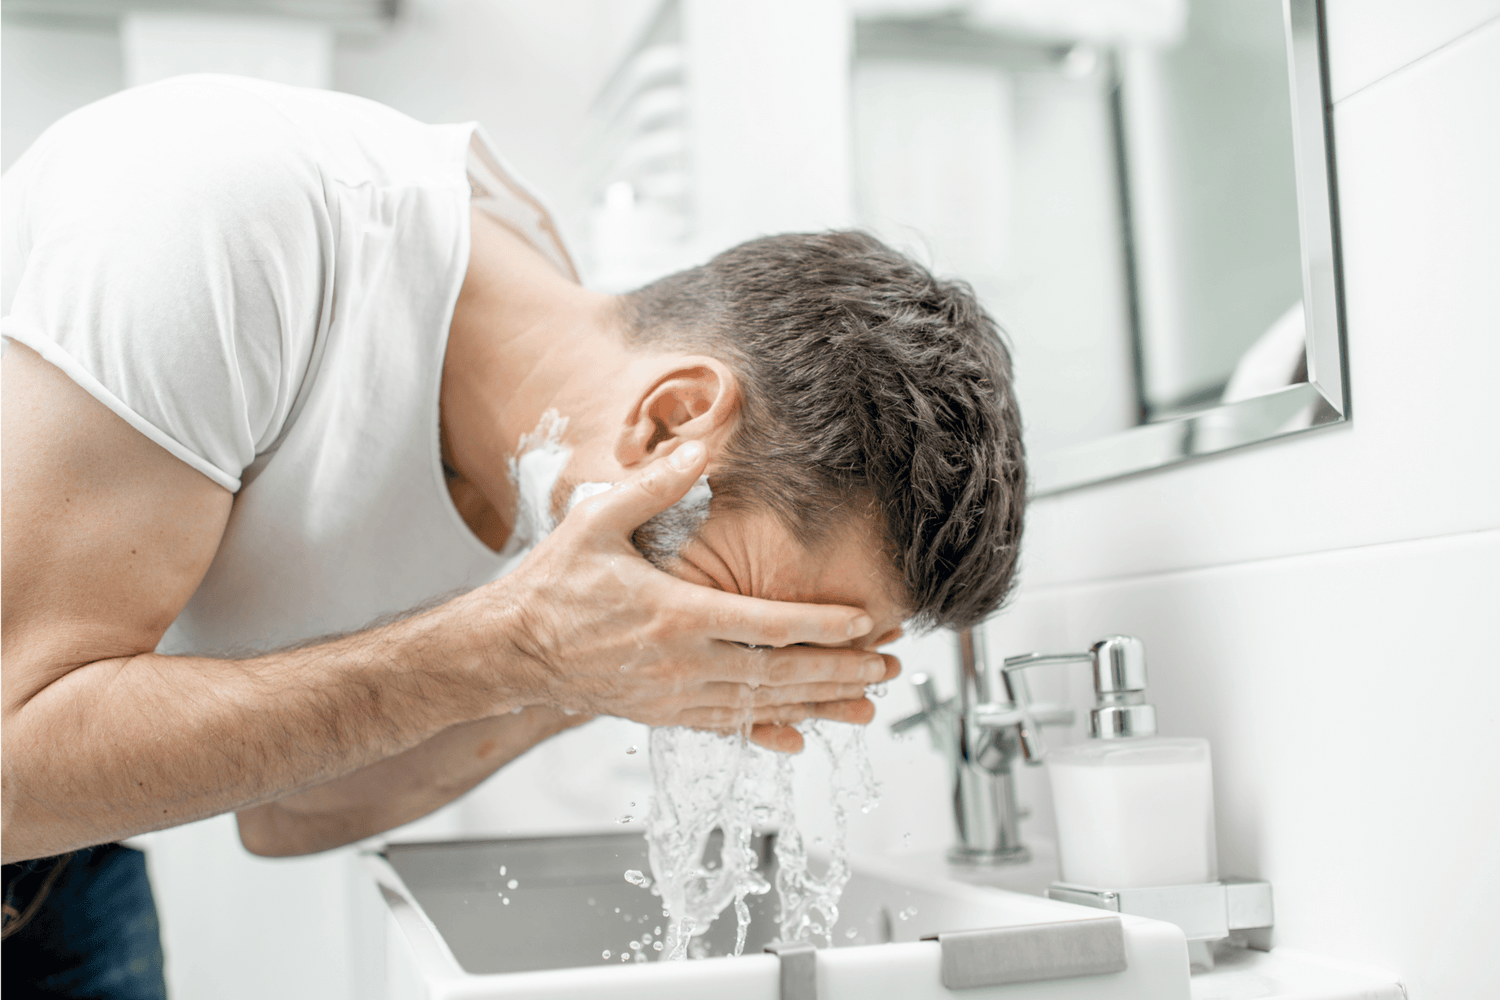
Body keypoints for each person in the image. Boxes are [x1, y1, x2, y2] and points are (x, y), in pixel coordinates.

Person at [0, 75, 1025, 995]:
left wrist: (578, 678)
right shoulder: (231, 221)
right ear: (669, 422)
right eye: (754, 614)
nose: (737, 651)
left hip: (76, 860)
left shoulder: (557, 462)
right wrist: (513, 647)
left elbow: (287, 814)